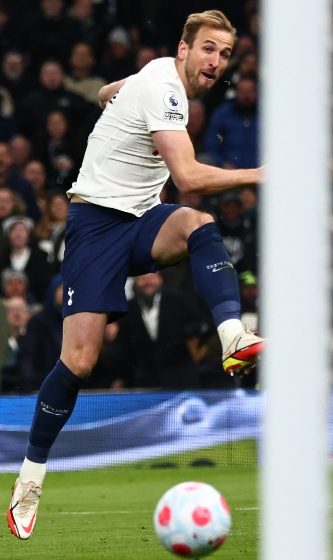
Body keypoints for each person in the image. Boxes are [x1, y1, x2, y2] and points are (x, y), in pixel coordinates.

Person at [7, 9, 264, 540]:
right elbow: (188, 175)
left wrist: (118, 101)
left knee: (197, 224)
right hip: (95, 226)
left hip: (142, 218)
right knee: (78, 362)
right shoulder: (165, 88)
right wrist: (261, 174)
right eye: (208, 48)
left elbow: (106, 91)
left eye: (224, 53)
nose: (216, 61)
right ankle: (31, 475)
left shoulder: (156, 76)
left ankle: (233, 336)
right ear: (184, 49)